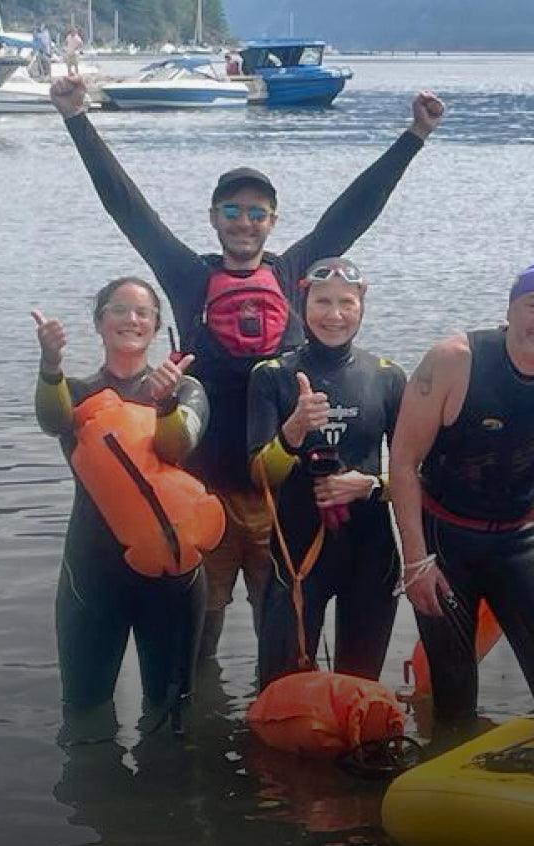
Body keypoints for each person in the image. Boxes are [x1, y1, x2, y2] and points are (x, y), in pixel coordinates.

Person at [48, 77, 446, 667]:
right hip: (200, 489)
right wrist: (77, 118)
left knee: (283, 640)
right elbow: (129, 210)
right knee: (197, 637)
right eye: (232, 211)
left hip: (280, 499)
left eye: (256, 213)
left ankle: (277, 714)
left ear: (272, 220)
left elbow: (354, 211)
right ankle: (200, 717)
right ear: (214, 219)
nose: (244, 222)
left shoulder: (292, 273)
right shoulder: (188, 276)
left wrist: (414, 135)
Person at [390, 262, 534, 720]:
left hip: (518, 543)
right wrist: (415, 562)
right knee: (452, 692)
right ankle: (450, 749)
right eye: (532, 305)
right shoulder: (453, 361)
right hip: (443, 541)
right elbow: (402, 462)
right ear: (510, 311)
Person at [33, 277, 209, 731]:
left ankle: (168, 772)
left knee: (171, 715)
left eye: (143, 313)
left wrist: (165, 403)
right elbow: (52, 421)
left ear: (155, 326)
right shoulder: (75, 393)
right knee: (84, 713)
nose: (131, 319)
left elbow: (177, 447)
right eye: (118, 309)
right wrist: (50, 365)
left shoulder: (186, 390)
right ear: (99, 322)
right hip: (93, 574)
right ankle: (92, 775)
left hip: (173, 578)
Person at [246, 258, 406, 689]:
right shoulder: (272, 376)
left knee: (360, 690)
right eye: (322, 302)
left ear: (362, 305)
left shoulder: (387, 377)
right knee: (282, 689)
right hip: (297, 556)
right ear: (302, 304)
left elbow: (416, 477)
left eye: (346, 303)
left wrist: (370, 486)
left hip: (370, 556)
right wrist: (293, 431)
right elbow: (260, 475)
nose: (334, 315)